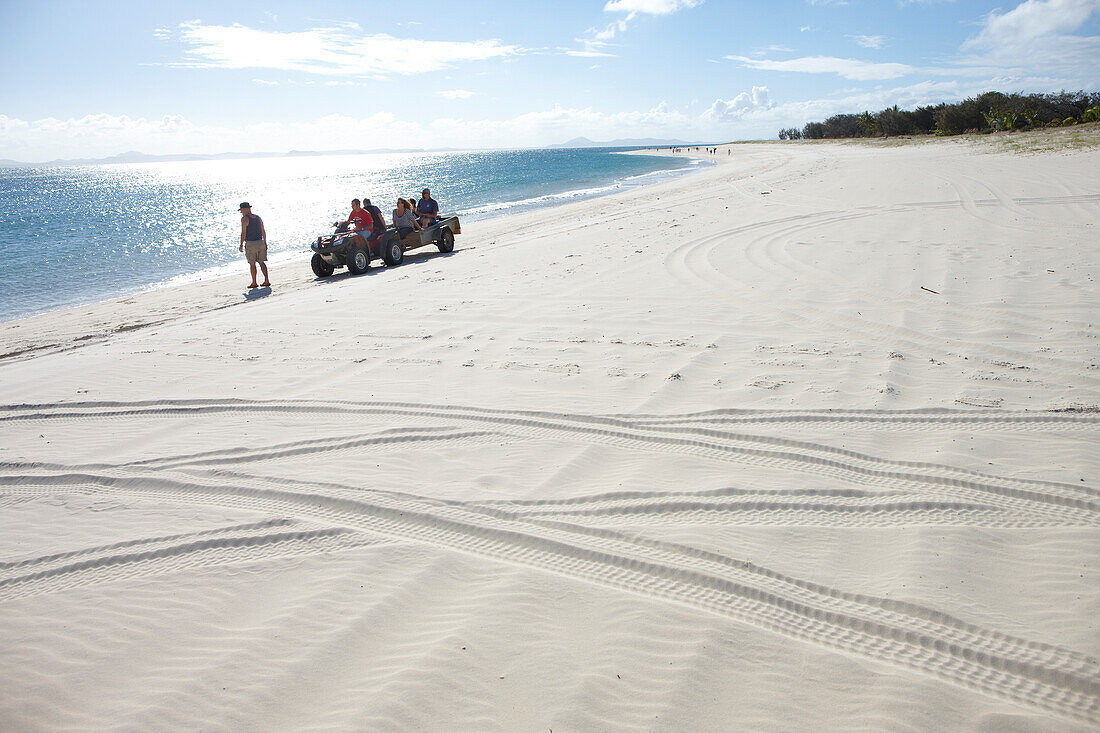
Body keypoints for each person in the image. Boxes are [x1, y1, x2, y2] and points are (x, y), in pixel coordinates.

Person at [237, 202, 269, 288]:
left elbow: (243, 232)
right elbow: (263, 230)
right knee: (261, 262)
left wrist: (241, 244)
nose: (241, 212)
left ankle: (254, 282)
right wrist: (265, 242)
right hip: (260, 242)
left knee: (252, 263)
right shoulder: (258, 217)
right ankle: (266, 280)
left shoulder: (244, 219)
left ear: (244, 209)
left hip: (251, 243)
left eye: (242, 210)